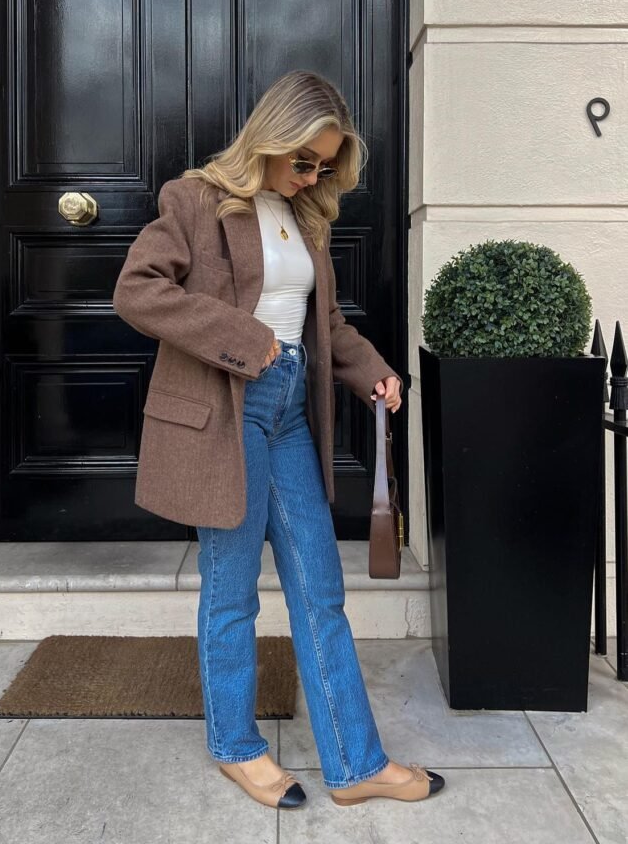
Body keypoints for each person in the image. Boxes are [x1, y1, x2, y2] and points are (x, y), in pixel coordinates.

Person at [113, 70, 445, 810]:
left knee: (320, 590)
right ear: (269, 138)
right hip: (226, 408)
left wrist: (374, 374)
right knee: (231, 592)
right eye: (303, 161)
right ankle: (236, 745)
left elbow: (321, 327)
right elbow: (137, 289)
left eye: (324, 167)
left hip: (291, 410)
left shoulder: (307, 219)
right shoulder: (194, 200)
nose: (311, 177)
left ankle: (354, 763)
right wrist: (245, 338)